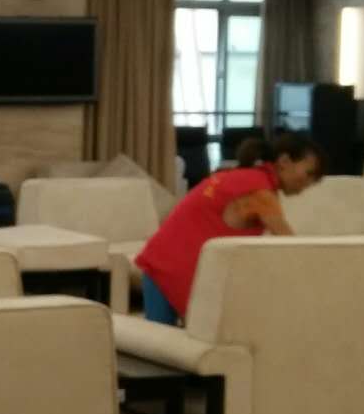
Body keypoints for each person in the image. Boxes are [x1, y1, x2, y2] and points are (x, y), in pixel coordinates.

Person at [135, 131, 324, 326]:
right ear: (284, 161)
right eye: (309, 173)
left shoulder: (243, 176)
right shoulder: (260, 191)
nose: (309, 184)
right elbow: (292, 246)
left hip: (159, 262)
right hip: (172, 271)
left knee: (164, 339)